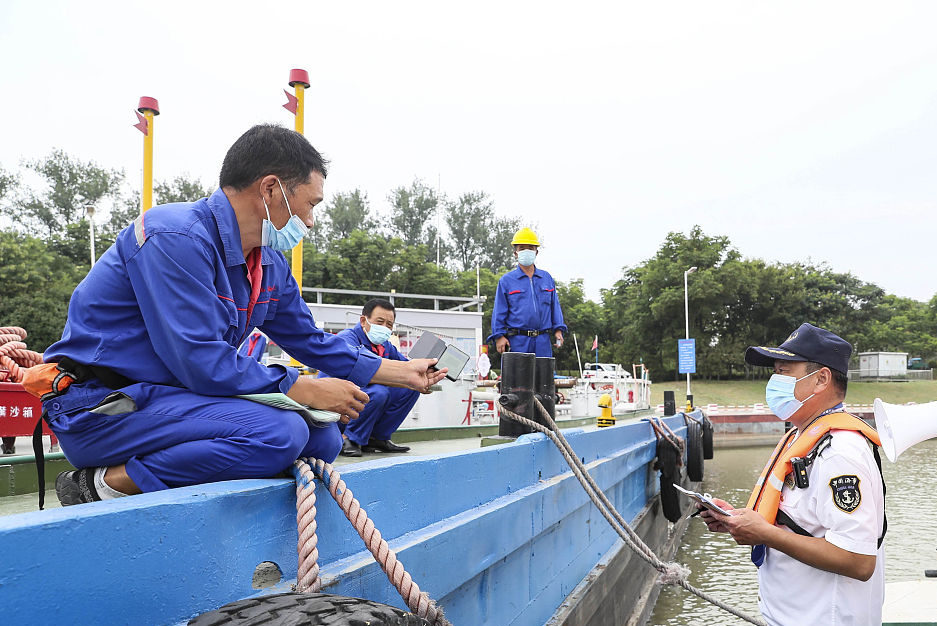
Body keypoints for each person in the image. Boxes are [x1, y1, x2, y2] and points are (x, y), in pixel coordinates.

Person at [38, 124, 446, 505]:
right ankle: (104, 484)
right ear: (271, 188)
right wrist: (302, 390)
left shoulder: (267, 264)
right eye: (309, 205)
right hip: (103, 406)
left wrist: (404, 373)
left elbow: (311, 342)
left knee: (324, 441)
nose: (310, 221)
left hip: (172, 401)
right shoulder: (173, 237)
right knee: (279, 433)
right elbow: (200, 360)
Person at [699, 324, 886, 626]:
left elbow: (858, 561)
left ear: (821, 379)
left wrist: (765, 534)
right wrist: (738, 519)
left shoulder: (841, 453)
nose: (774, 382)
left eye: (785, 371)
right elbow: (794, 521)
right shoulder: (802, 438)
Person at [331, 299, 418, 457]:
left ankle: (376, 438)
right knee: (379, 392)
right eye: (380, 322)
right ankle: (347, 438)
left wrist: (426, 370)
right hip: (336, 404)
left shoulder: (384, 346)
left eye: (389, 324)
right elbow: (355, 372)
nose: (384, 328)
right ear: (364, 320)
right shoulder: (347, 339)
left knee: (411, 388)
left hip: (360, 403)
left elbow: (406, 368)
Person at [488, 228, 566, 358]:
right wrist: (499, 336)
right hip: (517, 341)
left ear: (536, 252)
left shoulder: (546, 278)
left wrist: (558, 329)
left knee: (543, 377)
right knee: (517, 378)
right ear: (516, 253)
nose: (526, 251)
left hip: (543, 341)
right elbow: (499, 312)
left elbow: (555, 307)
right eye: (522, 248)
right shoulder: (506, 281)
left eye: (530, 247)